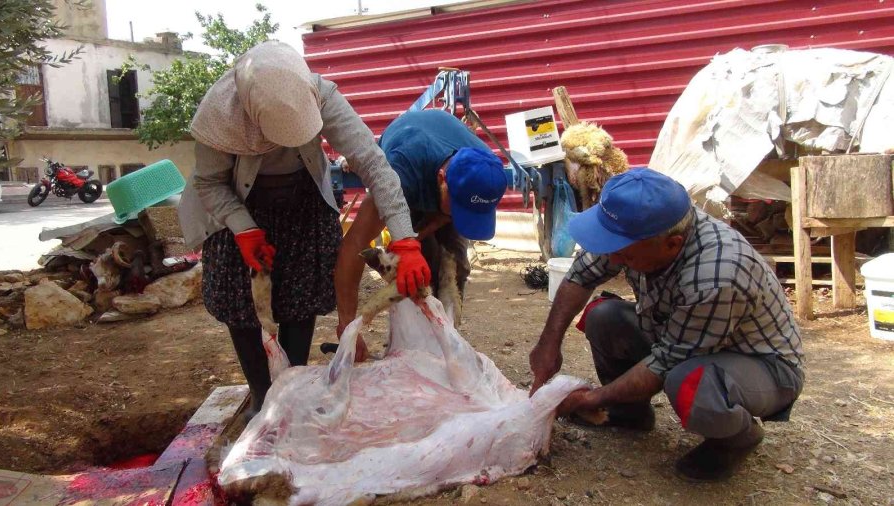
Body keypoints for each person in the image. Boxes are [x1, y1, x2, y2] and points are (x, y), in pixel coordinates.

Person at [177, 41, 430, 417]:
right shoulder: (219, 114)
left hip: (302, 203)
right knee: (241, 302)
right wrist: (243, 229)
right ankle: (262, 395)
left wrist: (406, 241)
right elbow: (210, 183)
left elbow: (374, 166)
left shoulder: (321, 95)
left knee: (301, 295)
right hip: (236, 205)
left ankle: (287, 391)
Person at [528, 168, 805, 482]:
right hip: (684, 335)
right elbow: (580, 277)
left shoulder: (717, 275)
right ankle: (630, 415)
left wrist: (591, 398)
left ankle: (737, 438)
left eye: (624, 255)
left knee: (687, 380)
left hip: (761, 363)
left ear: (672, 244)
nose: (614, 260)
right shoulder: (635, 232)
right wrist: (548, 344)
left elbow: (665, 364)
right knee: (603, 317)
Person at [335, 109, 508, 341]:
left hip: (438, 172)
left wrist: (418, 236)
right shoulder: (400, 174)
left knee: (455, 266)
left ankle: (445, 334)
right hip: (410, 167)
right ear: (441, 179)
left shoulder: (486, 171)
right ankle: (414, 340)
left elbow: (449, 215)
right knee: (418, 269)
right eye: (458, 208)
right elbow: (354, 244)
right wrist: (347, 329)